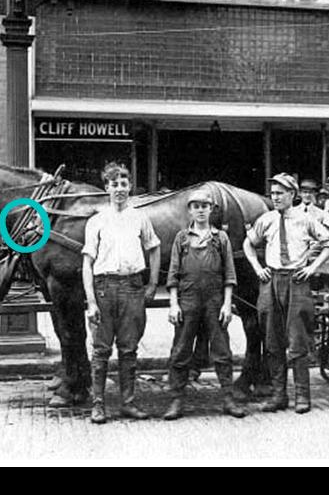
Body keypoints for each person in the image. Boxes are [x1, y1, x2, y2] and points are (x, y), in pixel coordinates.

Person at [243, 173, 329, 413]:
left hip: (296, 281)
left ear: (292, 195)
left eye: (280, 193)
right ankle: (278, 395)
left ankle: (302, 397)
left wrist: (312, 268)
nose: (275, 197)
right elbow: (248, 243)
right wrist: (257, 267)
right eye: (273, 193)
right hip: (271, 281)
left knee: (297, 341)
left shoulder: (305, 220)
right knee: (272, 341)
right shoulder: (267, 219)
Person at [82, 162, 161, 424]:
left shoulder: (139, 217)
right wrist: (91, 301)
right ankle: (98, 405)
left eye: (124, 184)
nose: (120, 189)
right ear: (106, 188)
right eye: (114, 184)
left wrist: (151, 285)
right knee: (101, 350)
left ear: (129, 187)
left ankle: (128, 403)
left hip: (132, 288)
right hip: (104, 289)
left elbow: (154, 247)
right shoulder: (96, 221)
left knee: (129, 349)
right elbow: (87, 263)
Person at [163, 189, 245, 420]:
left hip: (214, 301)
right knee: (180, 351)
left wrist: (227, 304)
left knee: (222, 351)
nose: (200, 210)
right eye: (196, 206)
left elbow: (229, 274)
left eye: (204, 206)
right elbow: (173, 275)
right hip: (187, 301)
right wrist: (173, 304)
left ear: (211, 210)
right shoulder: (181, 238)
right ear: (189, 210)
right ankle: (176, 400)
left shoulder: (221, 238)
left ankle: (228, 398)